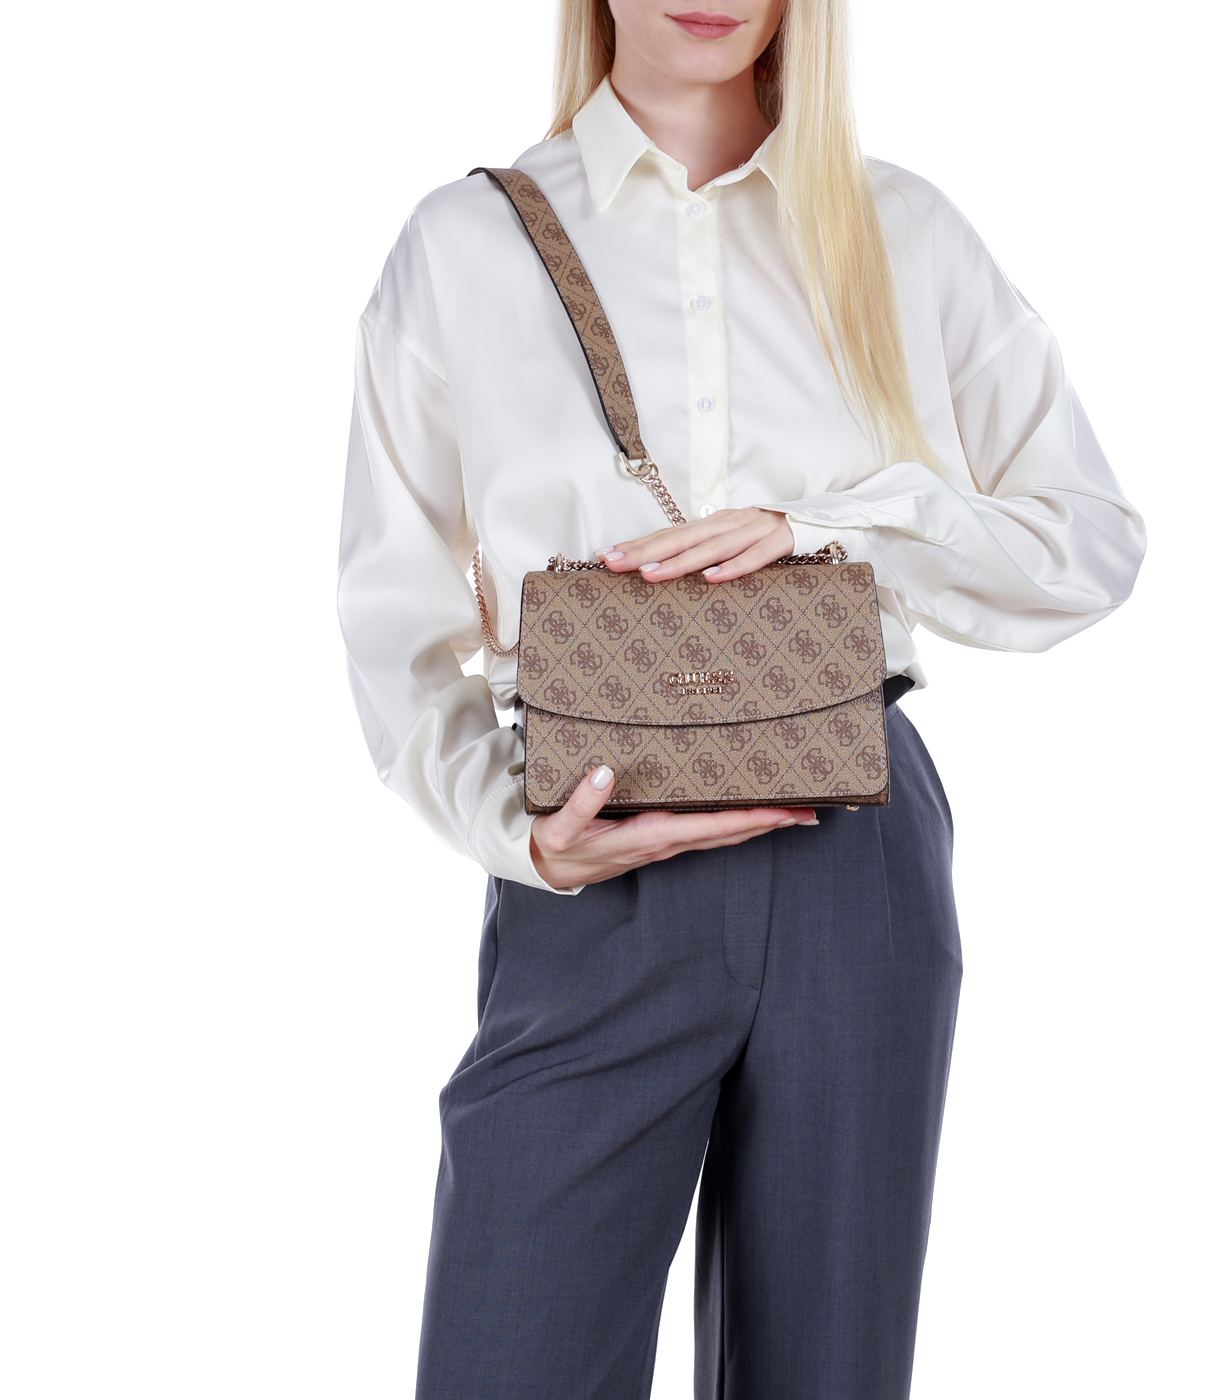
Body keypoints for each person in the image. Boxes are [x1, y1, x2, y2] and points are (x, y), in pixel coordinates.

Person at [337, 2, 1145, 1395]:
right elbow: (394, 619)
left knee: (828, 1367)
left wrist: (831, 530)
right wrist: (522, 838)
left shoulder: (902, 230)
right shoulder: (466, 244)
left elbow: (1089, 542)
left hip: (855, 848)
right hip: (594, 862)